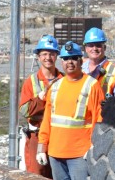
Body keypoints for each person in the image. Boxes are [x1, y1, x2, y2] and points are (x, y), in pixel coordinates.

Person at [37, 41, 105, 180]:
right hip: (55, 154)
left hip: (79, 154)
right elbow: (47, 120)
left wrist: (94, 147)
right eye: (66, 58)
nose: (70, 62)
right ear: (61, 62)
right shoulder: (56, 86)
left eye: (74, 58)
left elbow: (99, 119)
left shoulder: (92, 85)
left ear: (81, 60)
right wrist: (41, 148)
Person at [18, 34, 63, 178]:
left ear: (57, 56)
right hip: (37, 136)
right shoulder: (31, 82)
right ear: (38, 57)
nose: (48, 57)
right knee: (37, 174)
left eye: (51, 54)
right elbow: (24, 111)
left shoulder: (65, 80)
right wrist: (41, 99)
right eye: (44, 54)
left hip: (59, 135)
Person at [82, 27, 115, 97]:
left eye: (98, 45)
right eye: (91, 45)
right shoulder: (80, 70)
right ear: (86, 49)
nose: (94, 48)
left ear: (104, 48)